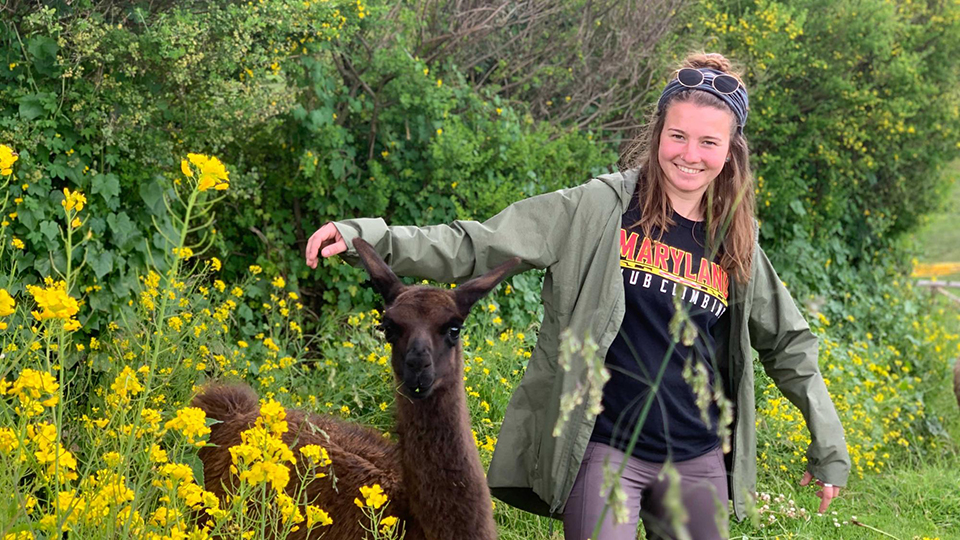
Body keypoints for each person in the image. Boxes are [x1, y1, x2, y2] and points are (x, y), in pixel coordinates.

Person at [304, 52, 850, 539]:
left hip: (697, 457)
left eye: (709, 142)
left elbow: (790, 344)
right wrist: (369, 238)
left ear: (731, 151)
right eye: (677, 135)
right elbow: (478, 242)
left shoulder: (736, 240)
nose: (690, 154)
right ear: (659, 132)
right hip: (607, 447)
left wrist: (828, 445)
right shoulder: (596, 210)